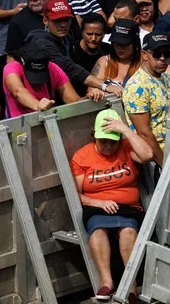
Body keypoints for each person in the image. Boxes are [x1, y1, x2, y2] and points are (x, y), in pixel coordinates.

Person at [69, 109, 153, 303]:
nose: (107, 146)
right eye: (103, 141)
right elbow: (76, 194)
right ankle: (106, 281)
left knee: (128, 232)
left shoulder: (125, 146)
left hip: (128, 206)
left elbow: (148, 155)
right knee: (98, 231)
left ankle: (130, 284)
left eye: (112, 141)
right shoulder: (82, 156)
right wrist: (98, 202)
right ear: (95, 137)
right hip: (97, 206)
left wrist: (125, 130)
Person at [123, 33, 170, 167]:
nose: (163, 59)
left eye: (167, 53)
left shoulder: (166, 78)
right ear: (144, 55)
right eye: (157, 54)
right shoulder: (136, 86)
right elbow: (144, 132)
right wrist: (164, 164)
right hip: (154, 158)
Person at [3, 45, 81, 118]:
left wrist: (88, 98)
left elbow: (74, 101)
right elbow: (18, 92)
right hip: (18, 125)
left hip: (46, 120)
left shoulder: (53, 68)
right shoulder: (11, 69)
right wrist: (38, 105)